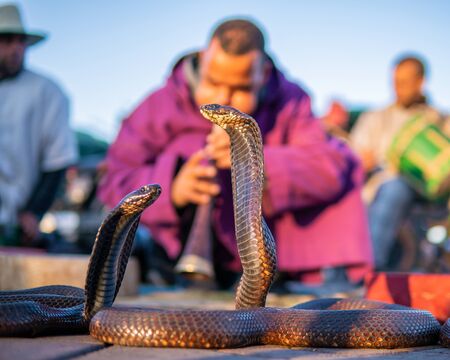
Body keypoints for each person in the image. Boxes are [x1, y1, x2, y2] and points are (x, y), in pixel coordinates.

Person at [98, 18, 373, 289]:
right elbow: (115, 179)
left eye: (241, 88)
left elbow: (327, 167)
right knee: (185, 149)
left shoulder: (292, 100)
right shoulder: (158, 104)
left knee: (346, 161)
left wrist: (254, 161)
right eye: (213, 82)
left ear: (263, 74)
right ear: (204, 59)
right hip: (174, 253)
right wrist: (174, 189)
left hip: (263, 257)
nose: (224, 97)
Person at [350, 55, 448, 270]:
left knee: (397, 187)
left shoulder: (440, 120)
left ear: (420, 82)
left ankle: (369, 269)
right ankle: (356, 271)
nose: (398, 89)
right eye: (395, 82)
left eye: (404, 83)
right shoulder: (375, 118)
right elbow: (352, 158)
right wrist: (361, 162)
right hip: (374, 188)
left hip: (422, 193)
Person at [0, 4, 78, 247]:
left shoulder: (47, 92)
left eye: (20, 41)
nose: (16, 48)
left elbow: (58, 159)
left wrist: (33, 213)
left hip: (16, 226)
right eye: (7, 40)